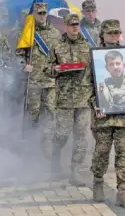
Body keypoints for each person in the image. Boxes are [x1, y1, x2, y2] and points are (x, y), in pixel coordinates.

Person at [90, 19, 125, 209]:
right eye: (110, 33)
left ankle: (123, 192)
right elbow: (85, 87)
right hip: (103, 117)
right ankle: (98, 182)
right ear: (103, 35)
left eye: (116, 33)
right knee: (102, 152)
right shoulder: (95, 58)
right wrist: (95, 104)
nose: (114, 36)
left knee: (124, 154)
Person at [45, 13, 92, 186]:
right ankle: (55, 159)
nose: (74, 27)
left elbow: (94, 69)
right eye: (71, 25)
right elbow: (46, 69)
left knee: (81, 135)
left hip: (83, 99)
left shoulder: (87, 45)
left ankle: (76, 171)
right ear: (65, 26)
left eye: (77, 24)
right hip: (64, 99)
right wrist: (55, 69)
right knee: (62, 134)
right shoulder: (57, 45)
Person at [16, 3, 61, 158]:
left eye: (44, 13)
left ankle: (47, 144)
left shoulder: (55, 33)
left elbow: (59, 54)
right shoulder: (28, 32)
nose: (42, 16)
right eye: (39, 13)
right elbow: (18, 54)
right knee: (33, 113)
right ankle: (29, 144)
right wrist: (23, 65)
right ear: (33, 14)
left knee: (50, 112)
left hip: (50, 81)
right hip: (33, 80)